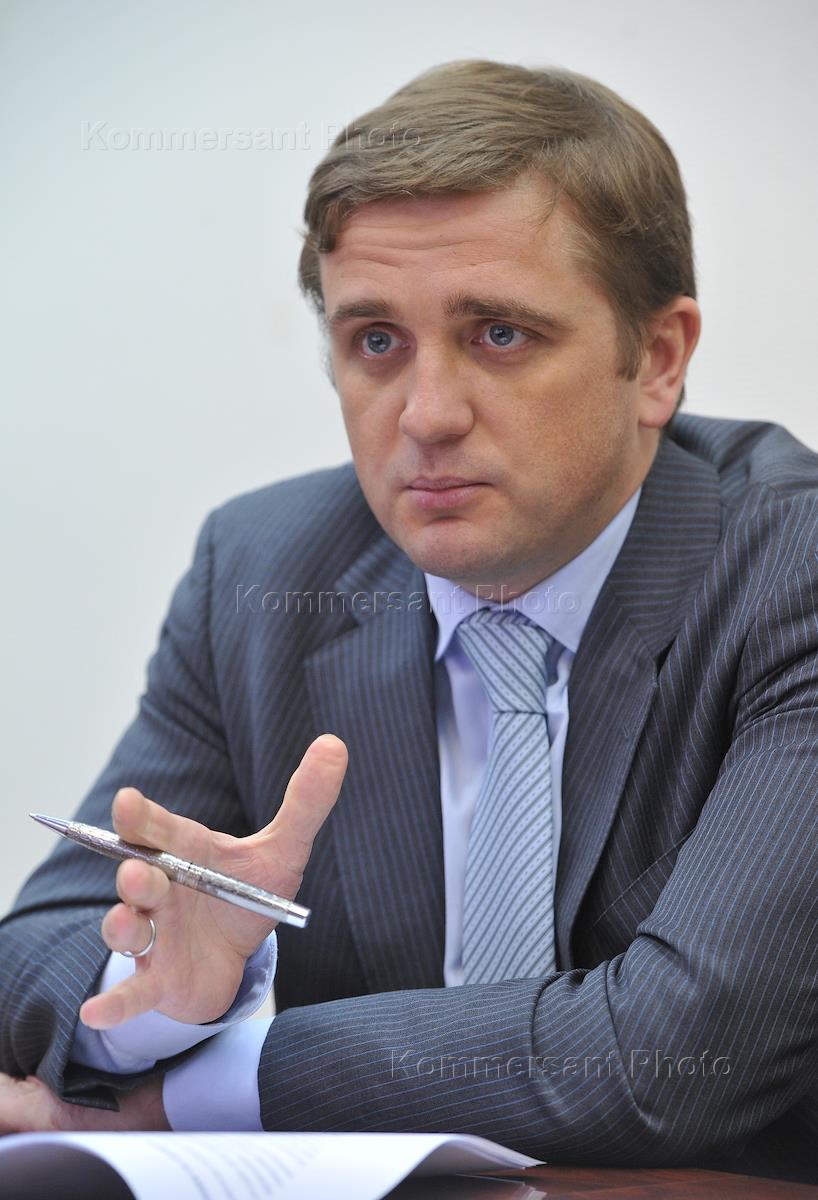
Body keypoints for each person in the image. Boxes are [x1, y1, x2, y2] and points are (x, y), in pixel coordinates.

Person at [1, 59, 817, 1184]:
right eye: (376, 341)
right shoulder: (261, 573)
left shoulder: (787, 571)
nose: (426, 416)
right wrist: (165, 997)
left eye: (499, 335)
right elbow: (37, 950)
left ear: (657, 360)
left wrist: (205, 1089)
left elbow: (673, 1053)